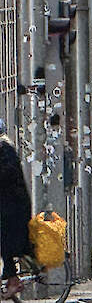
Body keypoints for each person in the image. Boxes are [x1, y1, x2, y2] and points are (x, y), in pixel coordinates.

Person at [0, 119, 32, 296]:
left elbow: (7, 174)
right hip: (8, 205)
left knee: (5, 241)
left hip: (15, 207)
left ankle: (13, 279)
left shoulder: (6, 148)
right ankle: (10, 275)